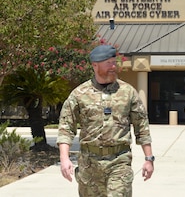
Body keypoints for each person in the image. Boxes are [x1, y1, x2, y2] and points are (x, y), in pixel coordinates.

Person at [56, 45, 155, 197]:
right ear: (95, 65)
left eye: (114, 62)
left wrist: (149, 158)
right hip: (89, 164)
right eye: (108, 63)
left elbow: (141, 127)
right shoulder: (79, 94)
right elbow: (66, 127)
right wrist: (64, 158)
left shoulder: (128, 92)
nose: (113, 66)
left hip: (119, 160)